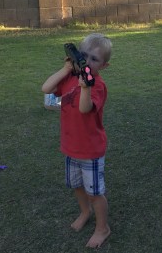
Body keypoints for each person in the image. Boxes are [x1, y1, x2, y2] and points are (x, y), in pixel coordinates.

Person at [42, 33, 113, 249]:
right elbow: (46, 89)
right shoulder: (70, 76)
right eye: (83, 55)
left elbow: (84, 109)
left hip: (90, 150)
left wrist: (85, 87)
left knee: (95, 193)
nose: (86, 61)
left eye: (94, 59)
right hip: (71, 146)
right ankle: (85, 212)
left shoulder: (97, 85)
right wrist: (65, 69)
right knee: (77, 186)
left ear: (104, 66)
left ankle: (103, 228)